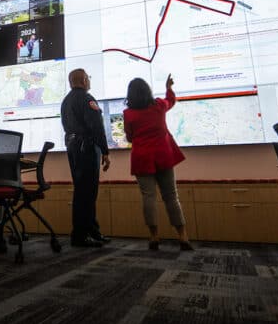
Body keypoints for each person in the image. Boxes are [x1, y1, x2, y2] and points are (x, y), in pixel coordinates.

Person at [123, 75, 192, 251]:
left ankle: (154, 236)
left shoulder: (128, 114)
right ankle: (182, 236)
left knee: (149, 197)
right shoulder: (159, 106)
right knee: (171, 196)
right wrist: (168, 87)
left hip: (142, 158)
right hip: (163, 156)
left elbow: (130, 137)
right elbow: (171, 100)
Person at [60, 68, 111, 247]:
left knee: (83, 191)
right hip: (87, 148)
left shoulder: (65, 101)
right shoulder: (87, 99)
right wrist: (105, 150)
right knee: (87, 193)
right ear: (83, 80)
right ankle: (80, 236)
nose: (89, 80)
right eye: (88, 77)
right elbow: (96, 126)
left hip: (72, 147)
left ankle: (92, 232)